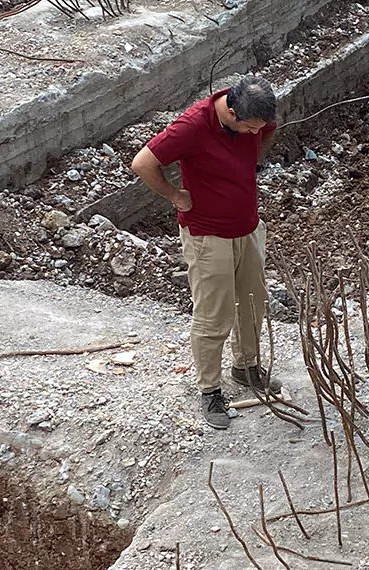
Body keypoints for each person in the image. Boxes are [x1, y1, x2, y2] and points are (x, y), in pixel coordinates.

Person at [131, 76, 281, 430]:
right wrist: (174, 195)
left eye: (257, 130)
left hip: (247, 226)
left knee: (253, 301)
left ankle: (245, 367)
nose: (253, 134)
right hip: (207, 233)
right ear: (231, 112)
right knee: (215, 313)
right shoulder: (192, 126)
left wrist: (255, 157)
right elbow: (142, 163)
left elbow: (270, 128)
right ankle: (210, 389)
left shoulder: (255, 114)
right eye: (249, 129)